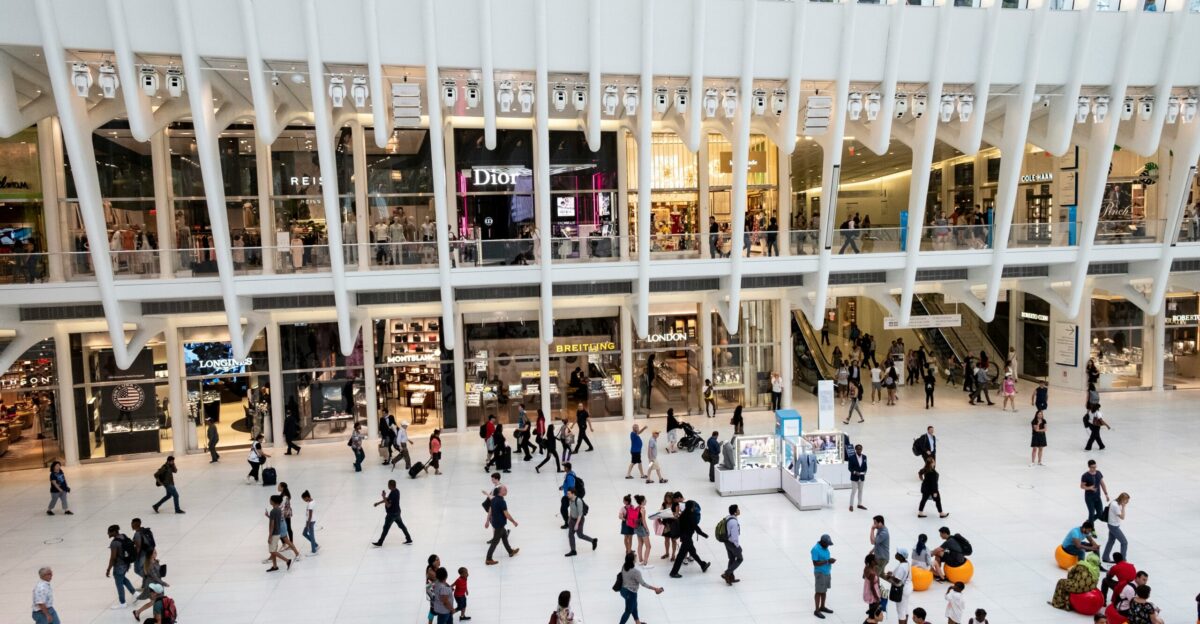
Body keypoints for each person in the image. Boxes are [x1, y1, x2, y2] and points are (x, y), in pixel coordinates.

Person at [619, 551, 664, 624]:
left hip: (623, 590)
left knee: (634, 605)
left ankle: (638, 622)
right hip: (631, 593)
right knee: (628, 611)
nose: (636, 556)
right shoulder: (635, 572)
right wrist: (656, 589)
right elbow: (643, 584)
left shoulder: (624, 566)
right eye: (635, 556)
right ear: (633, 560)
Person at [669, 499, 710, 577]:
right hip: (687, 538)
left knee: (693, 552)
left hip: (684, 537)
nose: (694, 508)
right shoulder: (691, 516)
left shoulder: (683, 514)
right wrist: (704, 534)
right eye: (694, 506)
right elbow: (696, 527)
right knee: (680, 556)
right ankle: (673, 572)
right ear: (691, 507)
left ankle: (702, 565)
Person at [484, 485, 519, 565]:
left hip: (496, 522)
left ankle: (510, 551)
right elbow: (506, 513)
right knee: (495, 542)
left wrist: (487, 520)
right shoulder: (501, 501)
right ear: (500, 491)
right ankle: (488, 559)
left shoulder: (494, 499)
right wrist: (513, 521)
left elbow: (491, 510)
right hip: (499, 524)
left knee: (504, 537)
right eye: (505, 490)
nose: (506, 491)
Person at [372, 479, 413, 546]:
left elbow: (388, 505)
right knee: (402, 526)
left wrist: (383, 496)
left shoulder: (393, 494)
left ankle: (380, 542)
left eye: (388, 485)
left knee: (385, 528)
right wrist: (378, 503)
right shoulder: (397, 491)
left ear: (391, 486)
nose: (387, 486)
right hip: (397, 512)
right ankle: (409, 539)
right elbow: (388, 499)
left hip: (391, 514)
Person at [105, 524, 137, 609]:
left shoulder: (114, 543)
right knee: (123, 579)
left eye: (109, 532)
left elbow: (113, 558)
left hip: (119, 566)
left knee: (119, 584)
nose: (108, 533)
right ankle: (135, 593)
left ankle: (122, 603)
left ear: (114, 532)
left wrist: (108, 569)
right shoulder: (123, 536)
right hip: (126, 563)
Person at [564, 487, 597, 556]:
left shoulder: (578, 501)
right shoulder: (570, 500)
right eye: (567, 493)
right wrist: (569, 518)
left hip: (579, 520)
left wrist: (577, 524)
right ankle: (573, 550)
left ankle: (593, 540)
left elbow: (580, 514)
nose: (567, 495)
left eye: (569, 493)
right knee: (570, 535)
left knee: (580, 535)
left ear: (573, 494)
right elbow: (571, 510)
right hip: (572, 519)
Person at [883, 549, 912, 624]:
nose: (895, 554)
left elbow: (897, 580)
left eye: (897, 553)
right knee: (905, 608)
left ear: (901, 556)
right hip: (908, 587)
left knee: (901, 611)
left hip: (902, 590)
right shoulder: (906, 563)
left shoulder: (901, 567)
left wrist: (889, 576)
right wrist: (893, 573)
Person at [811, 534, 836, 619]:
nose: (828, 545)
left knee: (824, 590)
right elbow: (815, 563)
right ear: (822, 542)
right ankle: (817, 610)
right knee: (818, 591)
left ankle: (822, 606)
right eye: (827, 544)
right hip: (820, 573)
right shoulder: (815, 549)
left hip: (827, 572)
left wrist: (829, 562)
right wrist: (827, 561)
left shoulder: (825, 547)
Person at [265, 495, 292, 572]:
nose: (269, 501)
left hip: (274, 533)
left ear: (274, 501)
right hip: (278, 532)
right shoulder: (278, 510)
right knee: (273, 550)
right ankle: (274, 566)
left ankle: (287, 560)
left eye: (270, 500)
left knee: (272, 551)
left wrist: (270, 536)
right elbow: (276, 519)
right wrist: (268, 516)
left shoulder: (273, 511)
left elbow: (272, 524)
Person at [1103, 492, 1130, 562]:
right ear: (1122, 499)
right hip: (1113, 526)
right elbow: (1122, 517)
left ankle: (1105, 557)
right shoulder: (1115, 505)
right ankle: (1123, 560)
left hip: (1113, 525)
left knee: (1111, 541)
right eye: (1126, 500)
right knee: (1124, 542)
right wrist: (1123, 507)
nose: (1127, 502)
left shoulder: (1116, 502)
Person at [1081, 460, 1110, 524]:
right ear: (1089, 467)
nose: (1094, 469)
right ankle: (1091, 529)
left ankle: (1088, 522)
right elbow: (1082, 486)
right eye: (1092, 467)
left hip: (1097, 497)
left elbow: (1102, 484)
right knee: (1091, 513)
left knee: (1100, 513)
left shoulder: (1098, 473)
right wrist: (1089, 488)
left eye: (1095, 467)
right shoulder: (1085, 476)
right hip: (1089, 498)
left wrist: (1106, 494)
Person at [721, 504, 743, 585]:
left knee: (732, 559)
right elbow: (734, 537)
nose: (739, 510)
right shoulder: (733, 522)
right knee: (740, 559)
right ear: (735, 512)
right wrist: (738, 546)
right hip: (732, 543)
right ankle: (727, 573)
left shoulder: (728, 517)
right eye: (738, 509)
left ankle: (730, 577)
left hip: (726, 541)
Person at [847, 444, 867, 511]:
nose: (859, 450)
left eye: (860, 449)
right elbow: (850, 468)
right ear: (855, 450)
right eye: (858, 449)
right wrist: (855, 472)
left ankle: (859, 504)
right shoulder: (851, 458)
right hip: (854, 478)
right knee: (853, 491)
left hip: (861, 477)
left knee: (860, 491)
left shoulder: (864, 457)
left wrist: (865, 471)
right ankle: (851, 505)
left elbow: (865, 466)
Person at [558, 462, 578, 528]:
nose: (564, 468)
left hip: (569, 496)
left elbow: (571, 486)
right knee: (565, 508)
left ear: (566, 468)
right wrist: (562, 487)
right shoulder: (572, 473)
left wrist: (570, 497)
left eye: (564, 467)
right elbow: (567, 484)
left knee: (563, 509)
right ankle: (569, 520)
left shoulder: (569, 476)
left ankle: (567, 523)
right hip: (569, 495)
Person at [299, 490, 319, 555]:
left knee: (312, 536)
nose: (304, 500)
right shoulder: (312, 501)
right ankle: (315, 545)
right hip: (311, 521)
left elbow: (310, 515)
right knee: (304, 533)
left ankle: (314, 551)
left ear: (307, 497)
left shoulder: (310, 504)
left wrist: (307, 525)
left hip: (310, 521)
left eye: (304, 499)